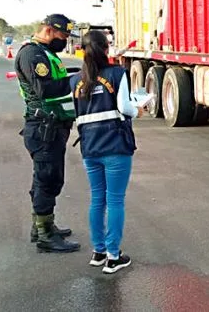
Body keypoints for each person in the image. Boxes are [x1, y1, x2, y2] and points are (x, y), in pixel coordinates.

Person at [70, 30, 142, 274]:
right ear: (105, 48)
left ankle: (99, 252)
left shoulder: (76, 80)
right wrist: (138, 109)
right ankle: (113, 256)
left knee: (97, 199)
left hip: (90, 147)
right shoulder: (117, 74)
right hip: (115, 146)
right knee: (115, 200)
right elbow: (125, 107)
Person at [14, 14, 81, 253]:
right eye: (63, 36)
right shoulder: (33, 55)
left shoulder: (46, 54)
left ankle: (43, 226)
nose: (65, 41)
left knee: (47, 177)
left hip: (52, 126)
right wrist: (77, 80)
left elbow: (56, 78)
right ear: (50, 31)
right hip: (43, 127)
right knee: (47, 179)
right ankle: (44, 235)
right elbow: (44, 88)